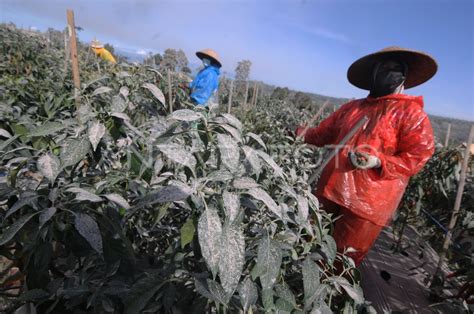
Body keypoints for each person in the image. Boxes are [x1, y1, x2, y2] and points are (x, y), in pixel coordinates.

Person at [296, 47, 437, 266]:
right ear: (374, 73)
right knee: (309, 243)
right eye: (385, 68)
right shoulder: (352, 108)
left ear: (404, 76)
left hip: (368, 202)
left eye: (396, 69)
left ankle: (329, 299)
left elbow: (417, 157)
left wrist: (379, 161)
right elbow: (322, 134)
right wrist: (298, 133)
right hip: (331, 188)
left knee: (342, 260)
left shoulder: (412, 114)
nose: (390, 73)